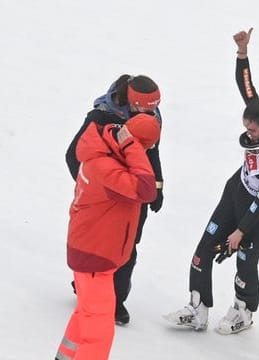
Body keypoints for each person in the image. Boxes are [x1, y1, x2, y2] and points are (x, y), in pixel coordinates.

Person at [163, 28, 259, 335]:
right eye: (246, 126)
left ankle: (243, 312)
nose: (249, 133)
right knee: (202, 251)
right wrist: (242, 52)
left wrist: (240, 231)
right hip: (235, 193)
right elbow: (245, 85)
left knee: (245, 263)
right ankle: (198, 309)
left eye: (255, 131)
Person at [55, 113, 160, 360]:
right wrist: (133, 146)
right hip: (94, 256)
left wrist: (128, 144)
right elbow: (146, 189)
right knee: (99, 333)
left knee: (85, 315)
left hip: (93, 253)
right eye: (147, 147)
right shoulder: (109, 168)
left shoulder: (106, 154)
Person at [65, 74, 164, 324]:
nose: (151, 114)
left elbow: (152, 152)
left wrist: (158, 186)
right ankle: (87, 286)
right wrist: (93, 187)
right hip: (104, 197)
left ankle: (116, 300)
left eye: (154, 108)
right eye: (145, 108)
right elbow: (74, 155)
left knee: (127, 247)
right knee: (95, 243)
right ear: (132, 102)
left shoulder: (151, 118)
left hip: (134, 193)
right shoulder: (101, 116)